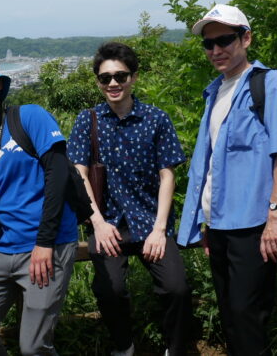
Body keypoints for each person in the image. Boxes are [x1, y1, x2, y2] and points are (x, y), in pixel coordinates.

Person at [177, 4, 277, 355]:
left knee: (247, 315)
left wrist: (275, 215)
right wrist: (205, 222)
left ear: (246, 38)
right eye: (208, 44)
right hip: (219, 224)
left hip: (255, 222)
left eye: (225, 40)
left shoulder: (271, 84)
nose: (216, 50)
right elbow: (210, 166)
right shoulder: (215, 91)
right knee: (231, 315)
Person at [0, 50, 79, 355]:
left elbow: (58, 174)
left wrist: (45, 242)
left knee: (34, 347)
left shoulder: (29, 117)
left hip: (48, 246)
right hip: (0, 252)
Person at [67, 42, 192, 356]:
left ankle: (175, 348)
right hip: (107, 222)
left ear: (133, 77)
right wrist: (97, 223)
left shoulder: (155, 119)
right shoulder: (88, 120)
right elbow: (78, 174)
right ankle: (124, 346)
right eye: (105, 77)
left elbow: (168, 176)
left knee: (176, 288)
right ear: (98, 81)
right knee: (111, 291)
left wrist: (160, 230)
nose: (113, 83)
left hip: (151, 220)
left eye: (120, 76)